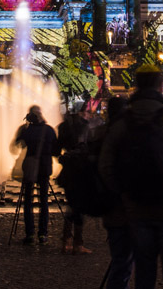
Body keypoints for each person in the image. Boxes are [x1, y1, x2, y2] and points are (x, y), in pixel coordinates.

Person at [99, 66, 163, 289]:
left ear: (136, 86)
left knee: (144, 273)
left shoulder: (122, 123)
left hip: (136, 210)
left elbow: (106, 166)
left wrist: (125, 193)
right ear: (160, 86)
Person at [97, 96, 134, 289]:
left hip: (108, 203)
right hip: (125, 203)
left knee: (120, 257)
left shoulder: (101, 133)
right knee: (125, 260)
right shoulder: (125, 133)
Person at [13, 105, 57, 245]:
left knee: (28, 200)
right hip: (44, 168)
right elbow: (56, 150)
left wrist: (24, 130)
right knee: (44, 201)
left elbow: (17, 145)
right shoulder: (49, 130)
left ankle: (30, 233)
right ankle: (43, 233)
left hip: (31, 167)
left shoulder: (28, 130)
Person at [56, 108, 93, 254]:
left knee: (71, 204)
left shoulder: (65, 127)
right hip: (81, 171)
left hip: (68, 171)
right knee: (79, 206)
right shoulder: (83, 128)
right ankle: (77, 242)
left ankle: (67, 240)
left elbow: (56, 150)